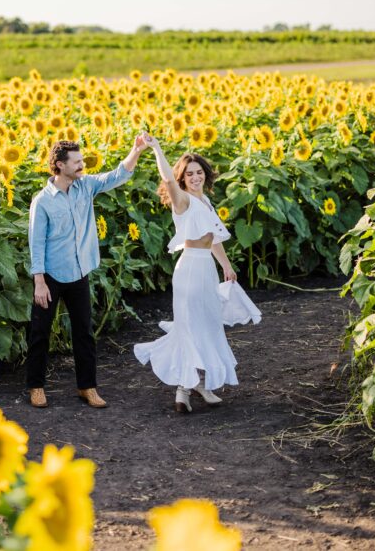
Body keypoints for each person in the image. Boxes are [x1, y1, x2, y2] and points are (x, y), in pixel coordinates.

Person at [134, 136, 261, 413]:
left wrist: (226, 265)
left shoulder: (205, 202)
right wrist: (156, 149)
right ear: (183, 178)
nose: (195, 177)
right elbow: (167, 180)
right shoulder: (183, 201)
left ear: (205, 174)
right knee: (190, 326)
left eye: (199, 172)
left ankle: (198, 383)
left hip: (206, 268)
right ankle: (184, 389)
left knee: (208, 324)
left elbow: (213, 238)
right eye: (189, 173)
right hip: (190, 268)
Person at [27, 134, 150, 408]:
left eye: (82, 161)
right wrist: (39, 281)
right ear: (59, 165)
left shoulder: (85, 187)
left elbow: (117, 176)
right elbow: (35, 242)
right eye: (77, 162)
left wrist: (136, 150)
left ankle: (87, 387)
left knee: (84, 332)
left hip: (79, 271)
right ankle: (36, 387)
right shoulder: (43, 201)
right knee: (40, 333)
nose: (83, 166)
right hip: (50, 276)